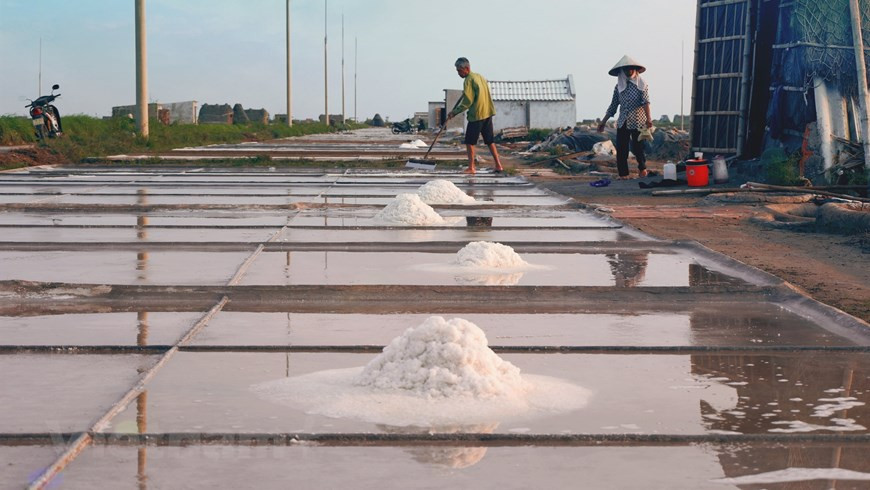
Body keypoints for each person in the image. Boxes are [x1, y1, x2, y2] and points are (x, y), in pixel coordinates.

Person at [597, 55, 653, 179]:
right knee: (621, 148)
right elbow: (613, 106)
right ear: (622, 71)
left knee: (638, 148)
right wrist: (603, 121)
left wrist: (649, 119)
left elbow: (646, 102)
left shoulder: (641, 84)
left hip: (638, 121)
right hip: (623, 121)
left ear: (635, 69)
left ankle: (642, 169)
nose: (629, 71)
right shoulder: (619, 87)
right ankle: (623, 174)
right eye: (626, 69)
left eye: (631, 69)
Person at [445, 57, 504, 174]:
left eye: (459, 71)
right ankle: (498, 165)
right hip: (487, 113)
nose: (458, 73)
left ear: (466, 69)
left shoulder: (468, 80)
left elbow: (467, 102)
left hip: (477, 115)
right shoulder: (479, 77)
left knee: (470, 142)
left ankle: (471, 168)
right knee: (489, 140)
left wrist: (454, 112)